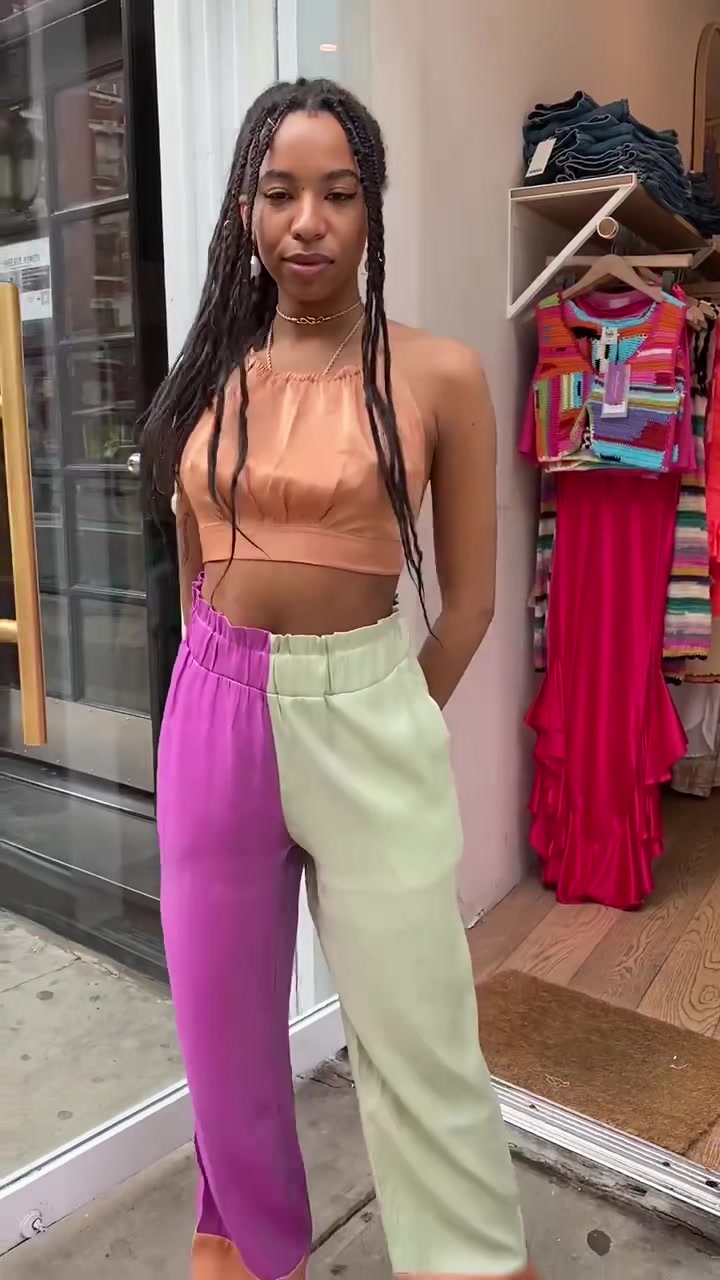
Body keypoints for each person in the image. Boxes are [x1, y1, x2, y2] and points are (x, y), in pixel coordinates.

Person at [143, 77, 536, 1280]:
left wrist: (390, 710)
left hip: (369, 709)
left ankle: (471, 1259)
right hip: (214, 710)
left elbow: (470, 602)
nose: (306, 220)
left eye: (338, 192)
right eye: (279, 192)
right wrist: (206, 689)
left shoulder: (438, 373)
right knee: (225, 1035)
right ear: (246, 212)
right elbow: (193, 555)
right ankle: (244, 1250)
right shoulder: (209, 372)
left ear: (372, 208)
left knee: (419, 1025)